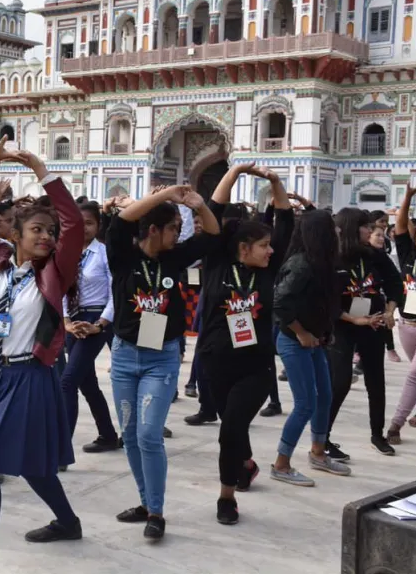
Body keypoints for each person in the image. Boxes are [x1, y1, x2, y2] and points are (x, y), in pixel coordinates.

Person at [0, 137, 84, 574]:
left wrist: (41, 169)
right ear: (16, 234)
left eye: (51, 232)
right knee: (32, 465)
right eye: (37, 230)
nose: (47, 237)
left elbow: (73, 222)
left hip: (28, 377)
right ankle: (68, 521)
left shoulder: (55, 273)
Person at [107, 183, 220, 540]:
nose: (179, 234)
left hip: (162, 358)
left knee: (149, 435)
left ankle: (156, 511)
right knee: (129, 434)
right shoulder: (123, 256)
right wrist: (167, 194)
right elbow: (122, 221)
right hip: (125, 356)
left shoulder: (174, 257)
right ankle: (145, 501)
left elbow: (212, 237)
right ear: (154, 229)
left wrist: (198, 206)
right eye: (173, 227)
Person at [196, 165, 294, 524]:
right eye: (263, 246)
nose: (270, 251)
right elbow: (213, 209)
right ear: (243, 248)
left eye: (271, 245)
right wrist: (234, 170)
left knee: (230, 430)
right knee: (232, 426)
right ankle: (246, 464)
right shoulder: (218, 262)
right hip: (215, 361)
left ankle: (226, 498)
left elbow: (285, 220)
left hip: (256, 367)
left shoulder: (268, 270)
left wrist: (275, 182)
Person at [272, 209, 351, 487]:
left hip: (314, 340)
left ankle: (318, 452)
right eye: (333, 228)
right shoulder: (301, 264)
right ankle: (281, 463)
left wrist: (323, 333)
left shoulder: (324, 263)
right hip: (295, 341)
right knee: (305, 403)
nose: (339, 232)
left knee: (324, 396)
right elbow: (280, 303)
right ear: (321, 233)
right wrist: (302, 332)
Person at [326, 207, 402, 461]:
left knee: (375, 380)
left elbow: (394, 284)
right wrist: (353, 318)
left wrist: (390, 310)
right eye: (366, 227)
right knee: (340, 382)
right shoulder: (333, 258)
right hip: (343, 326)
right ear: (351, 229)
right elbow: (327, 301)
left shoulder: (374, 256)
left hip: (372, 324)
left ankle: (377, 434)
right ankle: (322, 437)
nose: (371, 231)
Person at [61, 200, 121, 453]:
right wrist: (65, 322)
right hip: (73, 321)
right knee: (88, 383)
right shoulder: (67, 251)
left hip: (95, 319)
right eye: (79, 223)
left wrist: (100, 324)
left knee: (67, 382)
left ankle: (61, 448)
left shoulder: (105, 253)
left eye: (89, 223)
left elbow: (114, 291)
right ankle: (107, 434)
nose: (83, 228)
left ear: (98, 225)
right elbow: (61, 288)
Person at [387, 186, 416, 444]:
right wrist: (408, 197)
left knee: (415, 374)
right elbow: (400, 225)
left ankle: (396, 424)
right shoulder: (409, 255)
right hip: (407, 325)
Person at [369, 224, 401, 362]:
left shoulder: (382, 256)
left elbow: (395, 281)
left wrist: (390, 309)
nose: (382, 239)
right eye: (378, 235)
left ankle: (390, 349)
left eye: (383, 235)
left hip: (380, 303)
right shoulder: (354, 256)